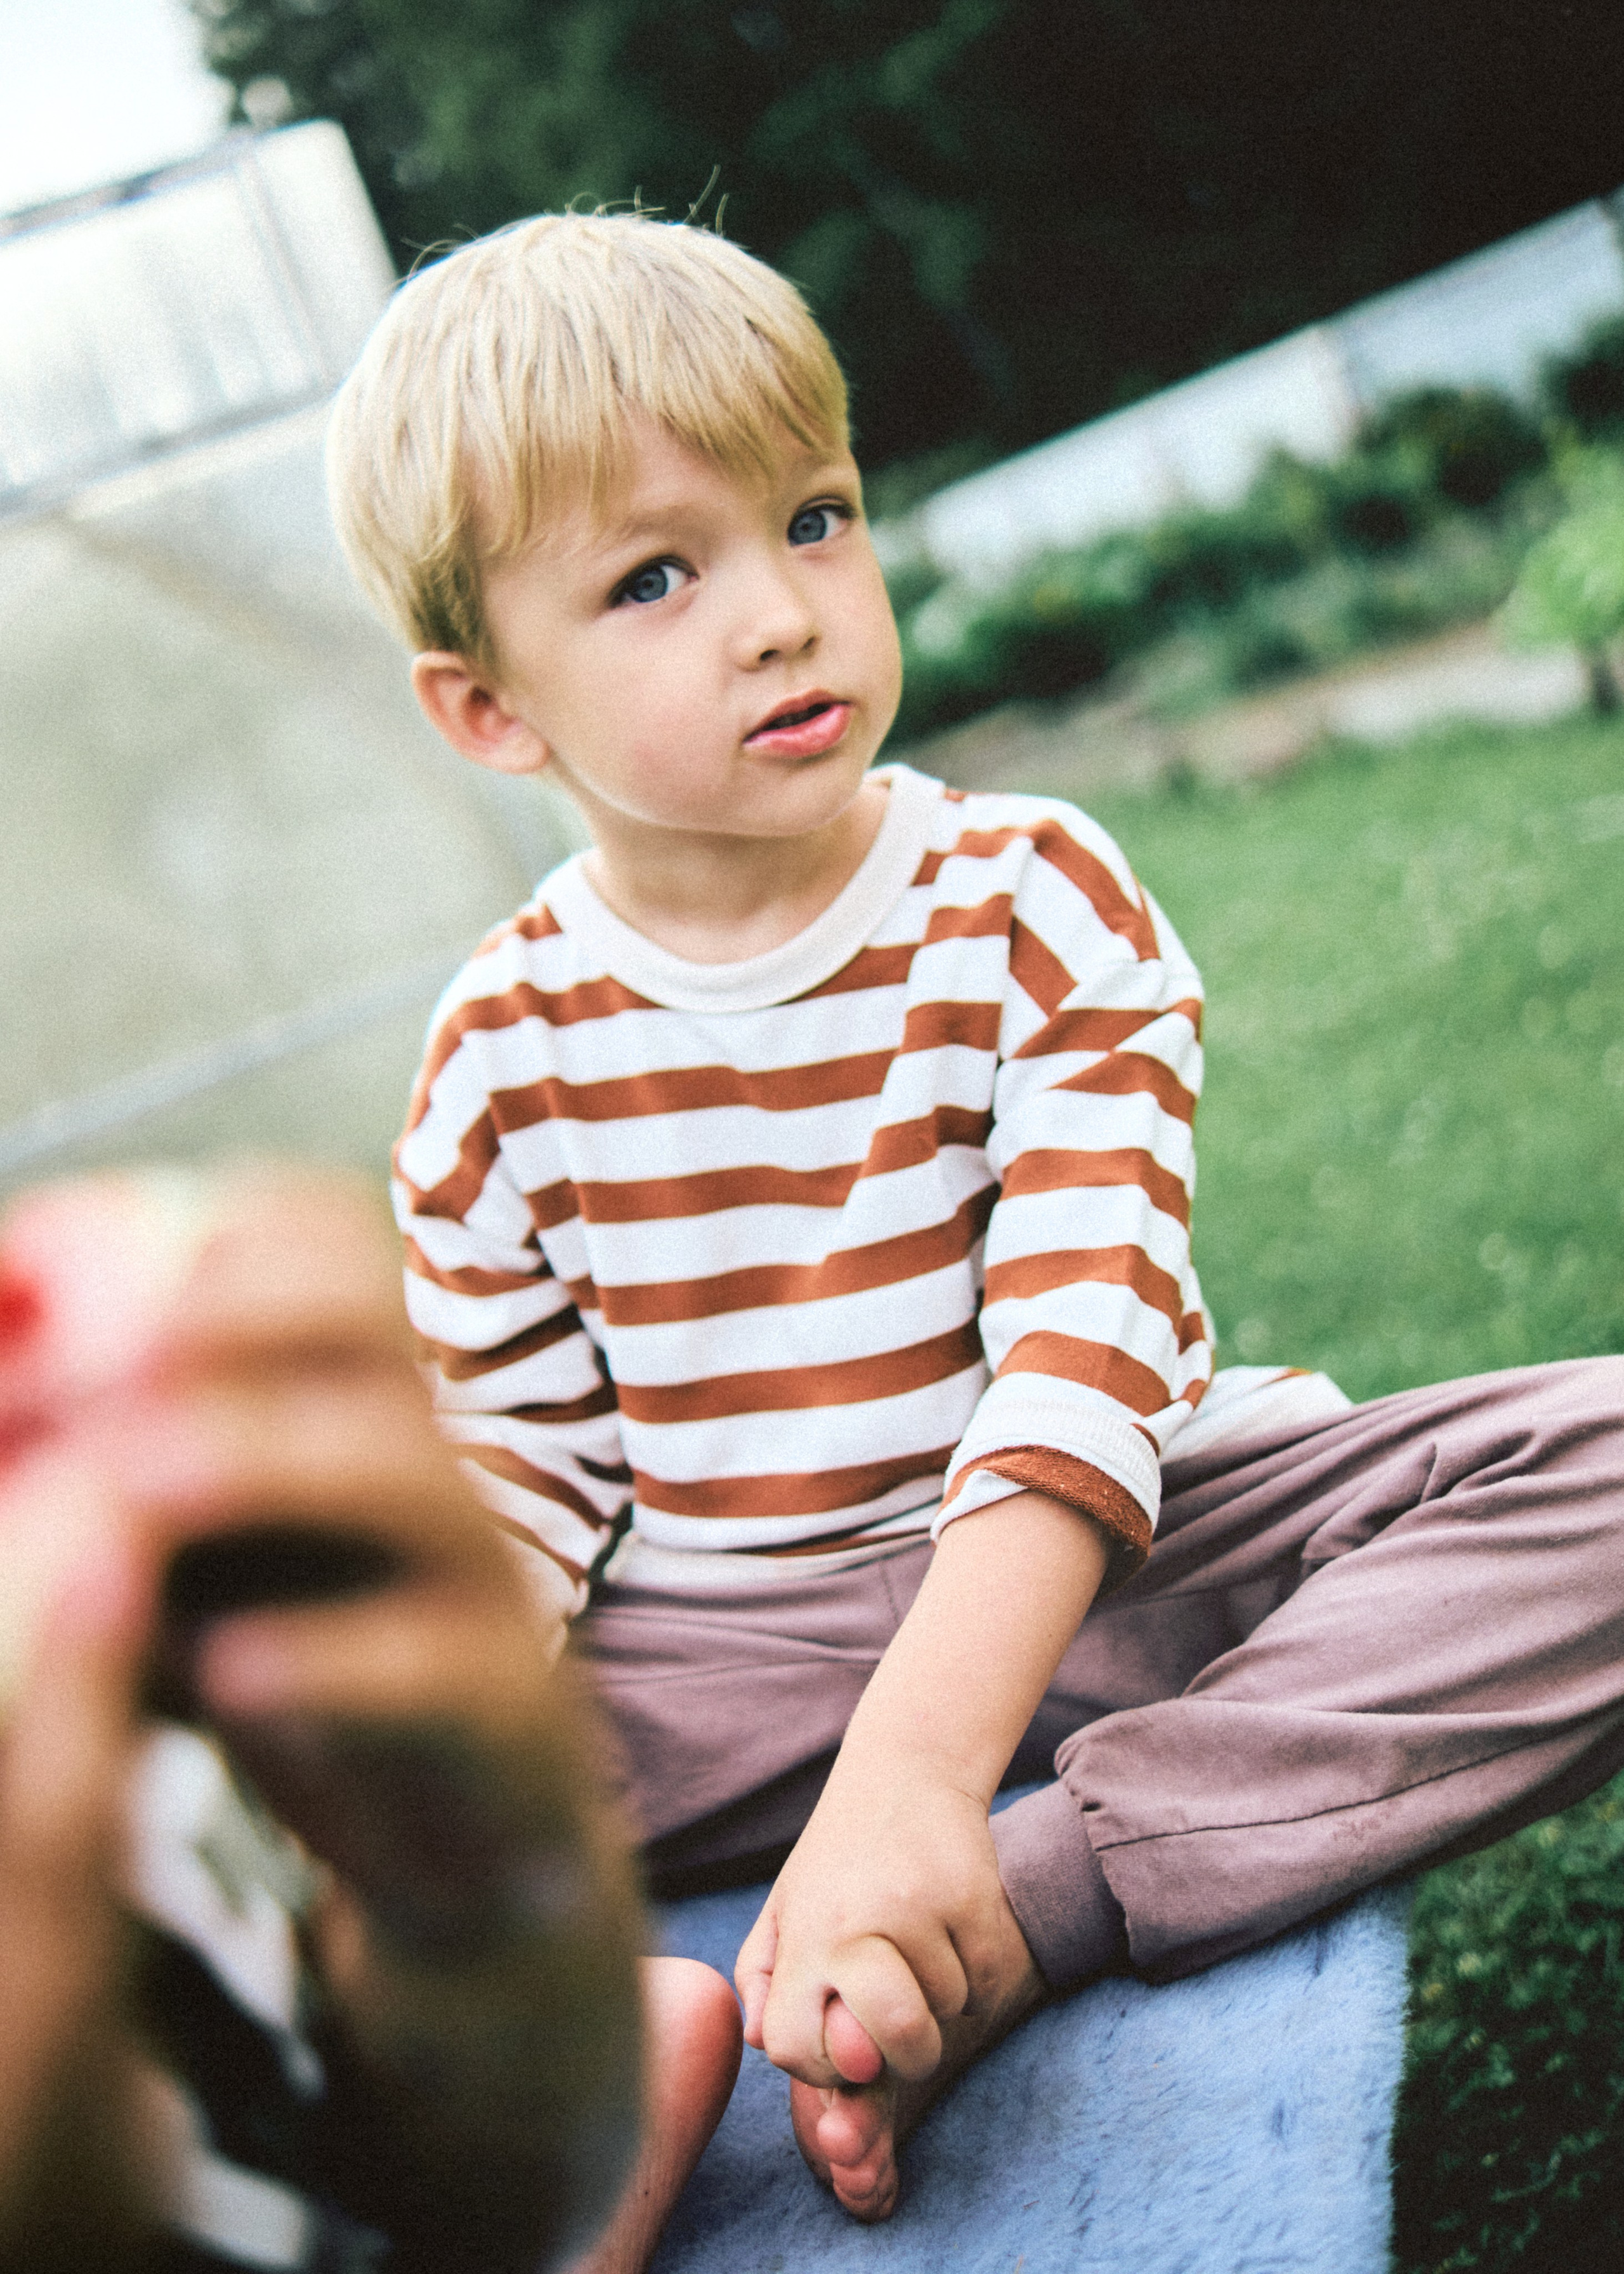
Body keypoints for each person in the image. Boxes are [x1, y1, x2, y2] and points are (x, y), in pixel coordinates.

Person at [325, 209, 1624, 2229]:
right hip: (721, 1650)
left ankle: (1027, 1910)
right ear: (491, 709)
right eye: (657, 575)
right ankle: (574, 2096)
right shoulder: (497, 1048)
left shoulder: (1029, 896)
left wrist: (928, 1796)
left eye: (816, 519)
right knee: (254, 1766)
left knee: (1605, 1477)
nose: (781, 612)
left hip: (1103, 1564)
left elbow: (1082, 1358)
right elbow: (519, 1470)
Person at [0, 1165, 740, 2273]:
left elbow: (460, 2173)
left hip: (319, 2148)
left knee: (656, 2016)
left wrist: (479, 1897)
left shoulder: (131, 1698)